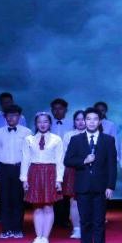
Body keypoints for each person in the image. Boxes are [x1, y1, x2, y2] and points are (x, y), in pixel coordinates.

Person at [64, 108, 117, 243]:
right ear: (84, 121)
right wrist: (84, 161)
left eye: (95, 119)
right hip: (83, 187)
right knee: (85, 222)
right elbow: (67, 160)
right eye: (88, 119)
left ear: (99, 121)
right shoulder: (76, 139)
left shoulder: (108, 140)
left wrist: (110, 186)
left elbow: (112, 165)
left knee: (99, 222)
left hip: (101, 187)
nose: (91, 122)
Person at [21, 111, 65, 243]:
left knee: (48, 206)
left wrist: (59, 180)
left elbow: (60, 161)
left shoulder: (56, 139)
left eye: (45, 121)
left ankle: (45, 238)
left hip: (50, 173)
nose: (42, 124)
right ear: (36, 124)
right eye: (39, 122)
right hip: (34, 173)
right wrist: (24, 179)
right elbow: (25, 159)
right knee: (37, 207)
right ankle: (38, 237)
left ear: (50, 123)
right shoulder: (29, 139)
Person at [0, 92, 27, 223]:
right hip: (0, 159)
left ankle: (17, 221)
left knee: (18, 191)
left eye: (9, 102)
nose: (6, 104)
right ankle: (1, 215)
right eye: (4, 103)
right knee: (0, 188)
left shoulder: (22, 119)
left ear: (12, 101)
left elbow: (26, 142)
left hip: (18, 161)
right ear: (0, 103)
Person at [48, 98, 72, 229]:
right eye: (55, 109)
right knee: (52, 189)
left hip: (67, 161)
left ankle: (65, 218)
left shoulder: (71, 124)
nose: (57, 111)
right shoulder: (47, 123)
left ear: (66, 110)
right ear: (51, 110)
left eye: (60, 108)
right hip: (51, 161)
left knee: (66, 191)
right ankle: (53, 218)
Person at [63, 109, 87, 238]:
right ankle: (76, 228)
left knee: (88, 200)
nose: (80, 122)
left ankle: (87, 227)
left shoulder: (94, 134)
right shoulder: (68, 135)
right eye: (77, 119)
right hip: (73, 170)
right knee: (74, 201)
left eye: (83, 119)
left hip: (89, 170)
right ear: (74, 122)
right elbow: (65, 155)